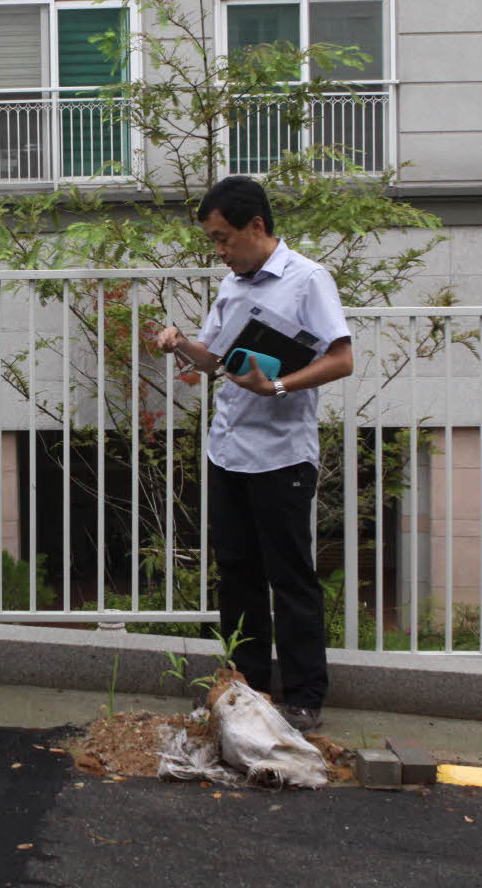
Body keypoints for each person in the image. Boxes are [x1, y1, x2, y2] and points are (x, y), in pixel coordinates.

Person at [155, 175, 353, 732]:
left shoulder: (307, 279)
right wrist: (181, 343)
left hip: (283, 455)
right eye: (213, 241)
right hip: (228, 449)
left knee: (290, 577)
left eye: (224, 238)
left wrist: (281, 387)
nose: (219, 250)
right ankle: (246, 687)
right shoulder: (231, 285)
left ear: (257, 227)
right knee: (237, 573)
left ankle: (306, 694)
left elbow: (341, 359)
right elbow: (217, 360)